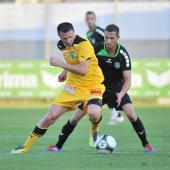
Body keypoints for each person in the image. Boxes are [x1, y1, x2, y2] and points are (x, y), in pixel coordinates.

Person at [52, 24, 156, 153]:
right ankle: (57, 146)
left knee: (131, 114)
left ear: (118, 38)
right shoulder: (97, 48)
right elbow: (79, 62)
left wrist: (121, 94)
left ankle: (146, 144)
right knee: (75, 118)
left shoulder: (123, 54)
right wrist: (65, 72)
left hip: (117, 89)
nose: (108, 41)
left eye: (112, 38)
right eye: (106, 37)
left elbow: (128, 80)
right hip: (95, 88)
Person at [11, 22, 105, 153]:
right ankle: (25, 147)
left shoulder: (84, 44)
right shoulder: (61, 45)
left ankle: (94, 129)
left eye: (70, 37)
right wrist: (64, 73)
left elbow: (83, 70)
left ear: (74, 33)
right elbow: (72, 60)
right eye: (64, 38)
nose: (68, 41)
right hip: (73, 86)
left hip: (92, 85)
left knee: (94, 113)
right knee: (50, 116)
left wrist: (60, 65)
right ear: (59, 36)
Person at [85, 11, 124, 125]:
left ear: (95, 19)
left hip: (106, 65)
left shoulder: (99, 31)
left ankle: (116, 114)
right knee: (102, 91)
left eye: (91, 18)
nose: (89, 21)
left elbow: (111, 42)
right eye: (87, 19)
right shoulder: (88, 33)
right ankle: (116, 114)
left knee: (103, 90)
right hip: (97, 65)